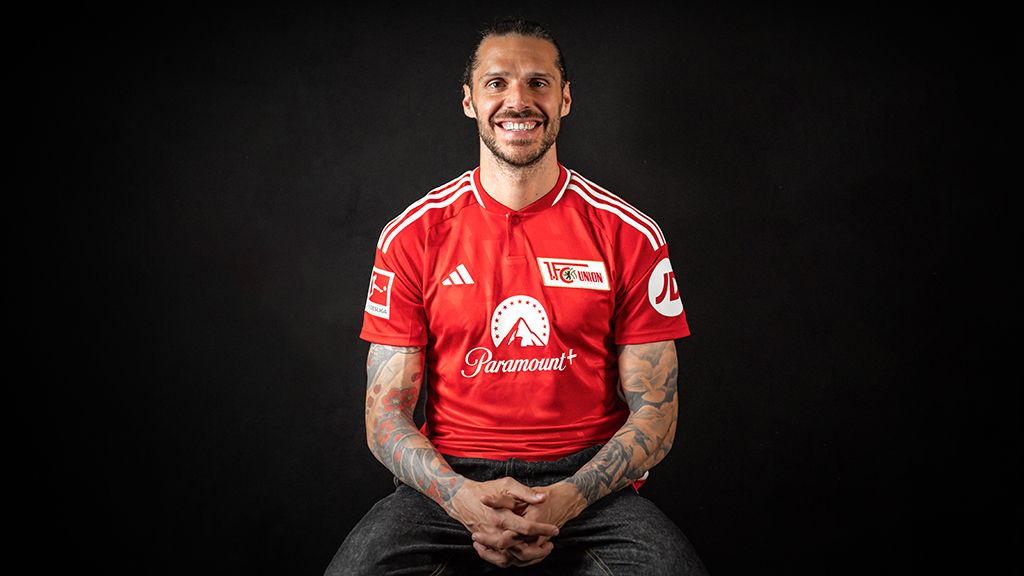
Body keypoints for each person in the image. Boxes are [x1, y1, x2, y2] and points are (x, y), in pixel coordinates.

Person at [325, 18, 709, 575]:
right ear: (469, 101)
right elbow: (385, 414)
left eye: (538, 83)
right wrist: (459, 497)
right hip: (449, 480)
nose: (518, 100)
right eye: (497, 83)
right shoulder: (414, 234)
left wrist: (569, 497)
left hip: (590, 483)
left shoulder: (628, 234)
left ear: (566, 98)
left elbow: (657, 412)